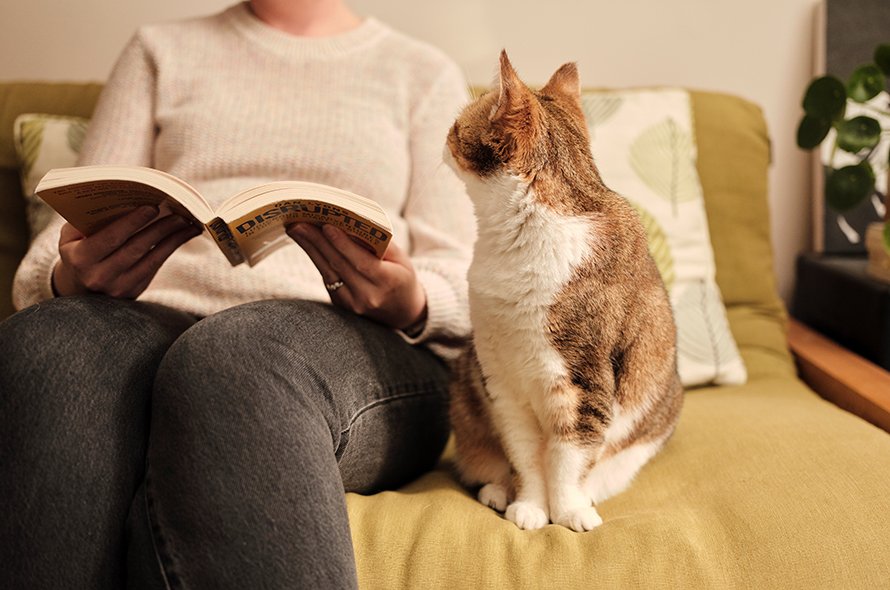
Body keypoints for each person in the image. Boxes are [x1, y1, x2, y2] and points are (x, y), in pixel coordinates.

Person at [0, 0, 475, 587]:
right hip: (155, 320)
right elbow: (59, 242)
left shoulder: (423, 73)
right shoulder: (158, 50)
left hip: (352, 343)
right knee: (47, 346)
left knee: (236, 358)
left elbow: (468, 279)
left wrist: (411, 299)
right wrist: (71, 279)